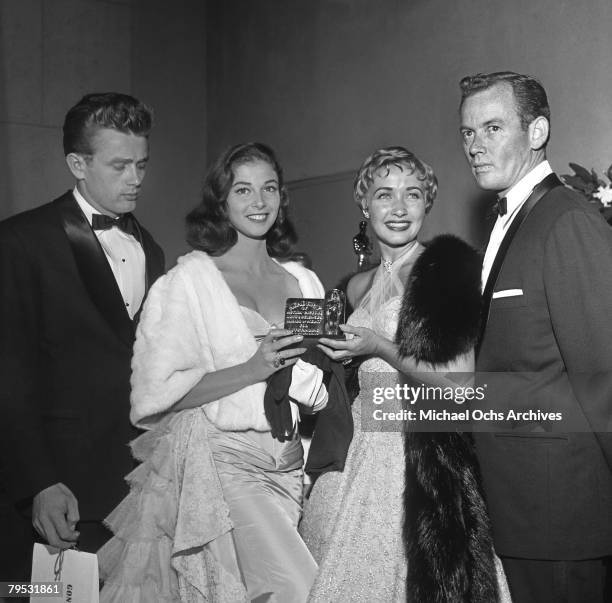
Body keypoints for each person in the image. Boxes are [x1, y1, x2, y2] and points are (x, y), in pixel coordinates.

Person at [98, 142, 329, 602]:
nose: (258, 202)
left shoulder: (304, 282)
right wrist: (251, 368)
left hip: (289, 467)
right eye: (243, 190)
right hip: (224, 464)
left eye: (269, 189)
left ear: (283, 198)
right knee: (304, 589)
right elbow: (155, 399)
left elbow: (313, 379)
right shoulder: (188, 284)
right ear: (221, 201)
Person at [300, 147, 510, 601]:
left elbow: (460, 383)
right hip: (354, 454)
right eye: (384, 195)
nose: (398, 209)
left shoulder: (446, 269)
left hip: (420, 457)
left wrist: (378, 347)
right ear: (364, 204)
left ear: (427, 203)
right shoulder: (353, 285)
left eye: (412, 195)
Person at [459, 71, 612, 602]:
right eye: (468, 133)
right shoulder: (510, 221)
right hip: (516, 508)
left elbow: (603, 375)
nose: (475, 146)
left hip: (561, 518)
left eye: (493, 128)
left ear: (538, 130)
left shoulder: (566, 221)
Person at [0, 92, 165, 580]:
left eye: (141, 164)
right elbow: (9, 374)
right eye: (119, 166)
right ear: (78, 163)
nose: (135, 179)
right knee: (40, 598)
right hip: (56, 493)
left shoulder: (149, 246)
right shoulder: (20, 242)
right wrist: (38, 483)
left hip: (134, 489)